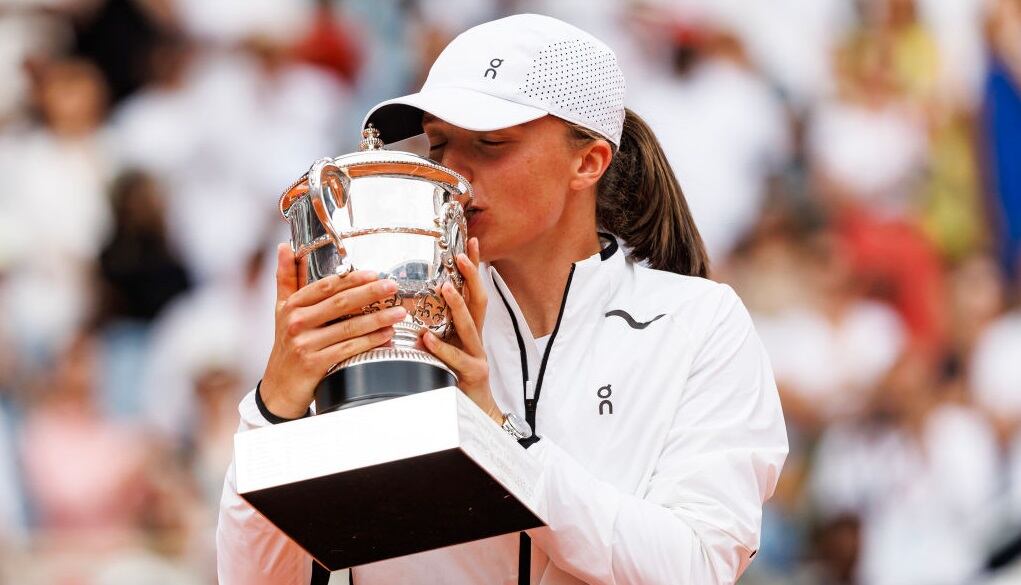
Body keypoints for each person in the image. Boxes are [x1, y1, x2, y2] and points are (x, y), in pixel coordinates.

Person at [217, 14, 787, 585]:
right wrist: (273, 415)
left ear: (587, 162)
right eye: (439, 145)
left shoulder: (698, 321)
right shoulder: (389, 326)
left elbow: (694, 567)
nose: (454, 176)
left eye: (490, 145)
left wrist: (496, 432)